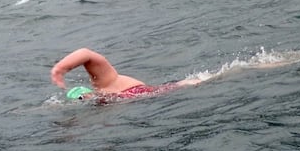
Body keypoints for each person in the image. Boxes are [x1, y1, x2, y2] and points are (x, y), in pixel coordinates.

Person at [51, 48, 203, 100]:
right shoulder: (102, 102)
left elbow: (86, 53)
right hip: (152, 101)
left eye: (81, 97)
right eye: (81, 99)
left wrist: (60, 69)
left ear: (86, 93)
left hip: (164, 92)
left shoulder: (105, 84)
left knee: (196, 82)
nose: (84, 99)